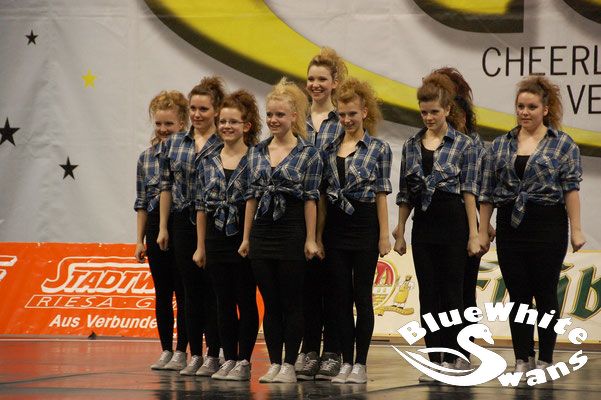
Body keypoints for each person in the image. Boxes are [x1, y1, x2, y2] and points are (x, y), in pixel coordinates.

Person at [478, 75, 585, 377]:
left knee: (545, 292)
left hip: (547, 223)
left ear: (545, 109)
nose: (525, 112)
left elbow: (571, 189)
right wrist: (483, 229)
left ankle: (546, 357)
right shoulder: (500, 144)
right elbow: (487, 192)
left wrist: (577, 229)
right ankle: (522, 357)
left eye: (532, 107)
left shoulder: (562, 144)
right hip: (510, 224)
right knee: (518, 294)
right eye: (521, 107)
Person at [393, 72, 480, 382]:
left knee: (453, 293)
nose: (429, 117)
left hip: (454, 222)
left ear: (447, 110)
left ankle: (456, 356)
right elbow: (405, 192)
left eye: (434, 111)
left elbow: (469, 191)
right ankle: (435, 359)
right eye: (424, 112)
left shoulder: (464, 144)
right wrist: (400, 229)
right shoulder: (411, 145)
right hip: (424, 225)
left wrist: (474, 234)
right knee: (428, 294)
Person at [240, 77, 323, 383]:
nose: (274, 120)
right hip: (262, 232)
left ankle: (289, 363)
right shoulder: (256, 152)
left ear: (294, 116)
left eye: (280, 115)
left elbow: (311, 199)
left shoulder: (309, 153)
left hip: (292, 231)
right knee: (271, 302)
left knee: (291, 301)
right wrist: (246, 238)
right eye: (270, 115)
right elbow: (251, 198)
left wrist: (311, 239)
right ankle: (274, 362)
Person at [319, 77, 392, 384]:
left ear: (364, 112)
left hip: (364, 226)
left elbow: (381, 193)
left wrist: (384, 235)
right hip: (335, 229)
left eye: (352, 113)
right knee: (339, 299)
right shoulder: (328, 149)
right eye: (342, 114)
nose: (347, 120)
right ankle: (346, 362)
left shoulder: (378, 148)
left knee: (362, 296)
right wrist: (317, 236)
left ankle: (360, 364)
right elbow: (322, 199)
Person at [157, 77, 225, 376]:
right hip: (182, 222)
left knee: (214, 290)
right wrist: (163, 227)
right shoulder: (174, 143)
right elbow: (165, 187)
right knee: (189, 291)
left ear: (216, 110)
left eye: (203, 109)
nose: (197, 114)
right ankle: (194, 353)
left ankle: (215, 353)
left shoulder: (223, 142)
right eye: (193, 109)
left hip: (215, 222)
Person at [193, 90, 261, 381]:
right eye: (222, 121)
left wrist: (247, 238)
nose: (226, 126)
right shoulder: (207, 160)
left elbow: (256, 201)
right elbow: (200, 207)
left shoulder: (256, 158)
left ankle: (244, 361)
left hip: (244, 240)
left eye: (233, 122)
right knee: (222, 301)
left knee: (245, 299)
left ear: (246, 125)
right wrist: (200, 246)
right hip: (215, 239)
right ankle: (228, 357)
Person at [433, 67, 489, 370]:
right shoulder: (429, 137)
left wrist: (484, 225)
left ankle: (462, 351)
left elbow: (477, 185)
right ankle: (442, 351)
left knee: (463, 290)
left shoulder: (471, 141)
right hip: (437, 224)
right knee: (440, 291)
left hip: (467, 223)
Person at [296, 47, 347, 381]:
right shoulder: (297, 118)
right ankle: (309, 348)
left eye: (322, 79)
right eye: (311, 79)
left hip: (335, 210)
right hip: (301, 211)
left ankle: (333, 352)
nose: (315, 85)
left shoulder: (341, 119)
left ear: (334, 83)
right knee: (307, 285)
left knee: (335, 284)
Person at [134, 90, 189, 370]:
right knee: (162, 291)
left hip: (183, 223)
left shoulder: (188, 153)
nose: (163, 129)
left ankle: (183, 350)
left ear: (182, 123)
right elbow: (141, 202)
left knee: (184, 291)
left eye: (169, 124)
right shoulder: (146, 158)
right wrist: (139, 240)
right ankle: (166, 349)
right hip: (156, 226)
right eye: (159, 124)